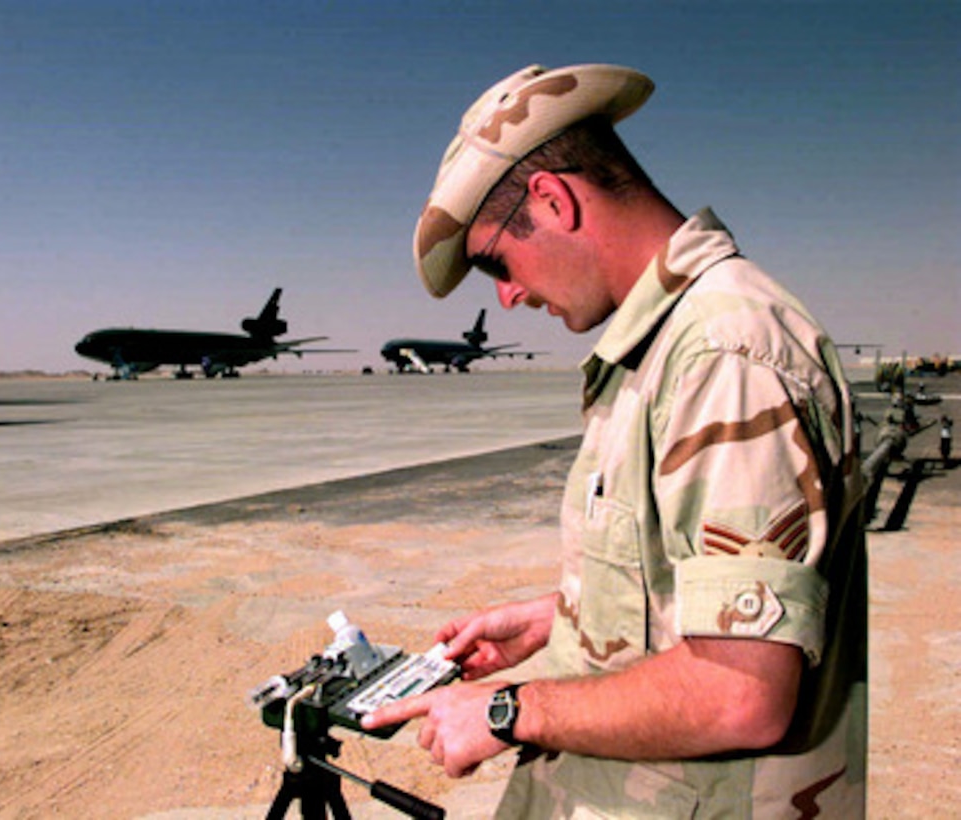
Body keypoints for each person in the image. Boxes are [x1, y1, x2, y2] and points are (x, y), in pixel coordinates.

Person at [362, 63, 868, 818]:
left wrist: (505, 710)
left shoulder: (722, 355)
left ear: (555, 201)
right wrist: (557, 619)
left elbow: (741, 691)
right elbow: (700, 584)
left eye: (495, 262)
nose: (506, 296)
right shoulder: (671, 346)